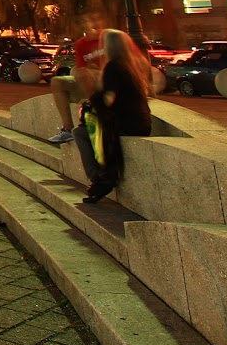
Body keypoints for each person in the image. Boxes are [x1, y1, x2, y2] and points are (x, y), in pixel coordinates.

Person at [76, 28, 152, 204]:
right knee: (90, 127)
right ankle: (102, 177)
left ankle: (101, 178)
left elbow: (108, 99)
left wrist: (90, 102)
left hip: (126, 124)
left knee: (80, 132)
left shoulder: (113, 67)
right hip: (140, 122)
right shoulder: (130, 65)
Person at [47, 15, 105, 144]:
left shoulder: (107, 37)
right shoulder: (81, 44)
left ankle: (93, 115)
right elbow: (81, 68)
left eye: (85, 21)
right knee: (58, 81)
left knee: (82, 73)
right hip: (90, 78)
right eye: (79, 22)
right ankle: (68, 129)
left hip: (108, 75)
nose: (83, 25)